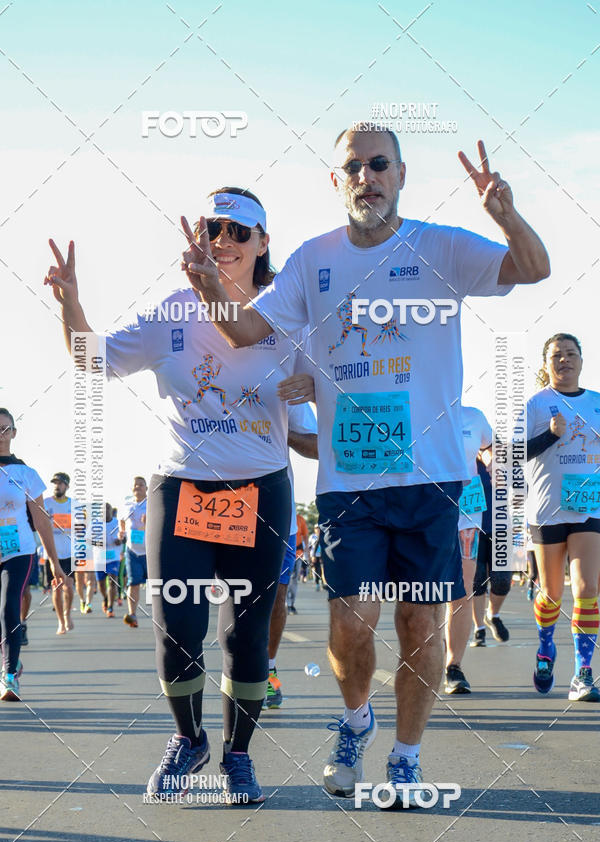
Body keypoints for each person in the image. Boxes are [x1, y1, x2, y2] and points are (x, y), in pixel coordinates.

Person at [184, 125, 549, 804]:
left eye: (378, 165)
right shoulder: (310, 260)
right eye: (352, 167)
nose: (366, 177)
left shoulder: (440, 246)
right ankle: (356, 721)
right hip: (350, 481)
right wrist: (209, 286)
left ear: (401, 174)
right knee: (350, 625)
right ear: (336, 180)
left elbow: (531, 268)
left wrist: (504, 213)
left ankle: (406, 758)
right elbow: (243, 329)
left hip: (432, 477)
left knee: (419, 625)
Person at [46, 186, 314, 804]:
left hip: (261, 487)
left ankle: (238, 756)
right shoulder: (169, 312)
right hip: (182, 486)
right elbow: (94, 360)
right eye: (213, 228)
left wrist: (320, 401)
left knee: (243, 636)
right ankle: (189, 739)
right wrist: (71, 303)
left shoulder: (288, 317)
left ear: (263, 244)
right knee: (176, 628)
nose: (224, 240)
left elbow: (309, 443)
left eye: (239, 231)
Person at [526, 333, 600, 701]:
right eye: (557, 355)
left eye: (571, 354)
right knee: (552, 594)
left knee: (587, 589)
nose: (565, 360)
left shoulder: (598, 403)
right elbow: (511, 455)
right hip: (547, 508)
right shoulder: (536, 404)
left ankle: (583, 673)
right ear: (546, 364)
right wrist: (551, 437)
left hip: (589, 506)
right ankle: (545, 648)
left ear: (582, 361)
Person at [0, 408, 67, 700]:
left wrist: (54, 562)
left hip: (20, 551)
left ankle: (9, 675)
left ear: (14, 433)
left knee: (8, 608)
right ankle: (8, 657)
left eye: (5, 429)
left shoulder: (26, 474)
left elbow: (41, 520)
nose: (1, 434)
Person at [264, 403, 318, 709]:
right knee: (237, 601)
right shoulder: (206, 372)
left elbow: (316, 444)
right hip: (225, 517)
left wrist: (280, 432)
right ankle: (240, 671)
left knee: (277, 599)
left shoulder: (283, 371)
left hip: (277, 517)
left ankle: (268, 670)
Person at [444, 405, 492, 693]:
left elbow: (489, 446)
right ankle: (420, 656)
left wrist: (491, 459)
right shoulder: (416, 408)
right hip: (428, 505)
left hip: (467, 506)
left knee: (463, 586)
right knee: (424, 588)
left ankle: (454, 666)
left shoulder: (474, 416)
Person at [470, 457, 512, 647]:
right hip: (473, 528)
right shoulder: (467, 459)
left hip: (502, 528)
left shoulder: (504, 461)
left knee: (502, 580)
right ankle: (479, 629)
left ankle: (492, 615)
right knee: (477, 581)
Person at [44, 472, 76, 634]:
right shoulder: (45, 503)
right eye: (55, 483)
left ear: (67, 486)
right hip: (52, 552)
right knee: (56, 588)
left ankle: (67, 614)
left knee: (69, 587)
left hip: (69, 551)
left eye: (61, 483)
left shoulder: (74, 504)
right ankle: (61, 622)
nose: (57, 485)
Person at [119, 477, 148, 628]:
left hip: (149, 551)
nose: (138, 487)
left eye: (141, 485)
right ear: (132, 489)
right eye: (135, 485)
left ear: (146, 488)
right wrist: (121, 531)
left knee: (156, 584)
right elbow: (122, 520)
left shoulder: (151, 504)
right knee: (133, 583)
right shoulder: (127, 504)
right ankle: (133, 614)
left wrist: (148, 522)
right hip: (132, 550)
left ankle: (163, 617)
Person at [94, 502, 122, 617]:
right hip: (99, 557)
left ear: (111, 511)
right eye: (102, 510)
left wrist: (120, 540)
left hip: (113, 556)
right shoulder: (95, 523)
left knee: (112, 580)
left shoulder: (117, 523)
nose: (105, 511)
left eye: (107, 509)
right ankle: (105, 598)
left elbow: (124, 538)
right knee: (100, 584)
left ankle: (110, 607)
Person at [286, 508, 310, 614]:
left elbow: (305, 536)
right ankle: (284, 602)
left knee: (294, 578)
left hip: (297, 554)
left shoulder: (300, 519)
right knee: (284, 579)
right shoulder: (283, 515)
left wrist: (307, 553)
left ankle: (290, 604)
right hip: (284, 554)